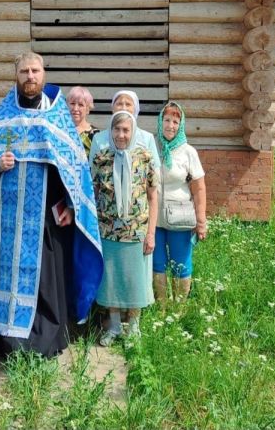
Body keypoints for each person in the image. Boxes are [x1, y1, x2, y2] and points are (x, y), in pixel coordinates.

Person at [0, 52, 103, 358]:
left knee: (48, 276)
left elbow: (74, 167)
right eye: (24, 71)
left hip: (48, 216)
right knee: (5, 275)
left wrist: (71, 206)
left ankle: (48, 338)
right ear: (16, 75)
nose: (30, 76)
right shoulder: (3, 116)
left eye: (35, 71)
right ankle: (7, 340)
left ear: (43, 73)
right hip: (8, 217)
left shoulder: (56, 114)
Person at [89, 111, 158, 346]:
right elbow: (94, 194)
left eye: (126, 130)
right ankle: (115, 327)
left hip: (136, 232)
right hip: (108, 231)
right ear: (111, 131)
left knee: (134, 280)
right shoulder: (101, 158)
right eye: (117, 130)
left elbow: (152, 197)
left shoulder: (145, 158)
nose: (121, 135)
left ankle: (134, 328)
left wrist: (151, 233)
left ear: (133, 132)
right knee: (112, 280)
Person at [153, 101, 207, 302]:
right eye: (167, 120)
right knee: (156, 263)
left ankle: (179, 309)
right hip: (154, 218)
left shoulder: (188, 152)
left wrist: (201, 221)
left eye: (175, 121)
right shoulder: (151, 146)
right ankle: (162, 308)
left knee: (180, 263)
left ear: (181, 125)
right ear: (160, 122)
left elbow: (199, 188)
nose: (170, 126)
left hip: (180, 217)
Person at [67, 86, 100, 157]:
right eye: (72, 103)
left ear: (88, 109)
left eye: (80, 105)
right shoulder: (60, 130)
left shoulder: (96, 135)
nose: (75, 108)